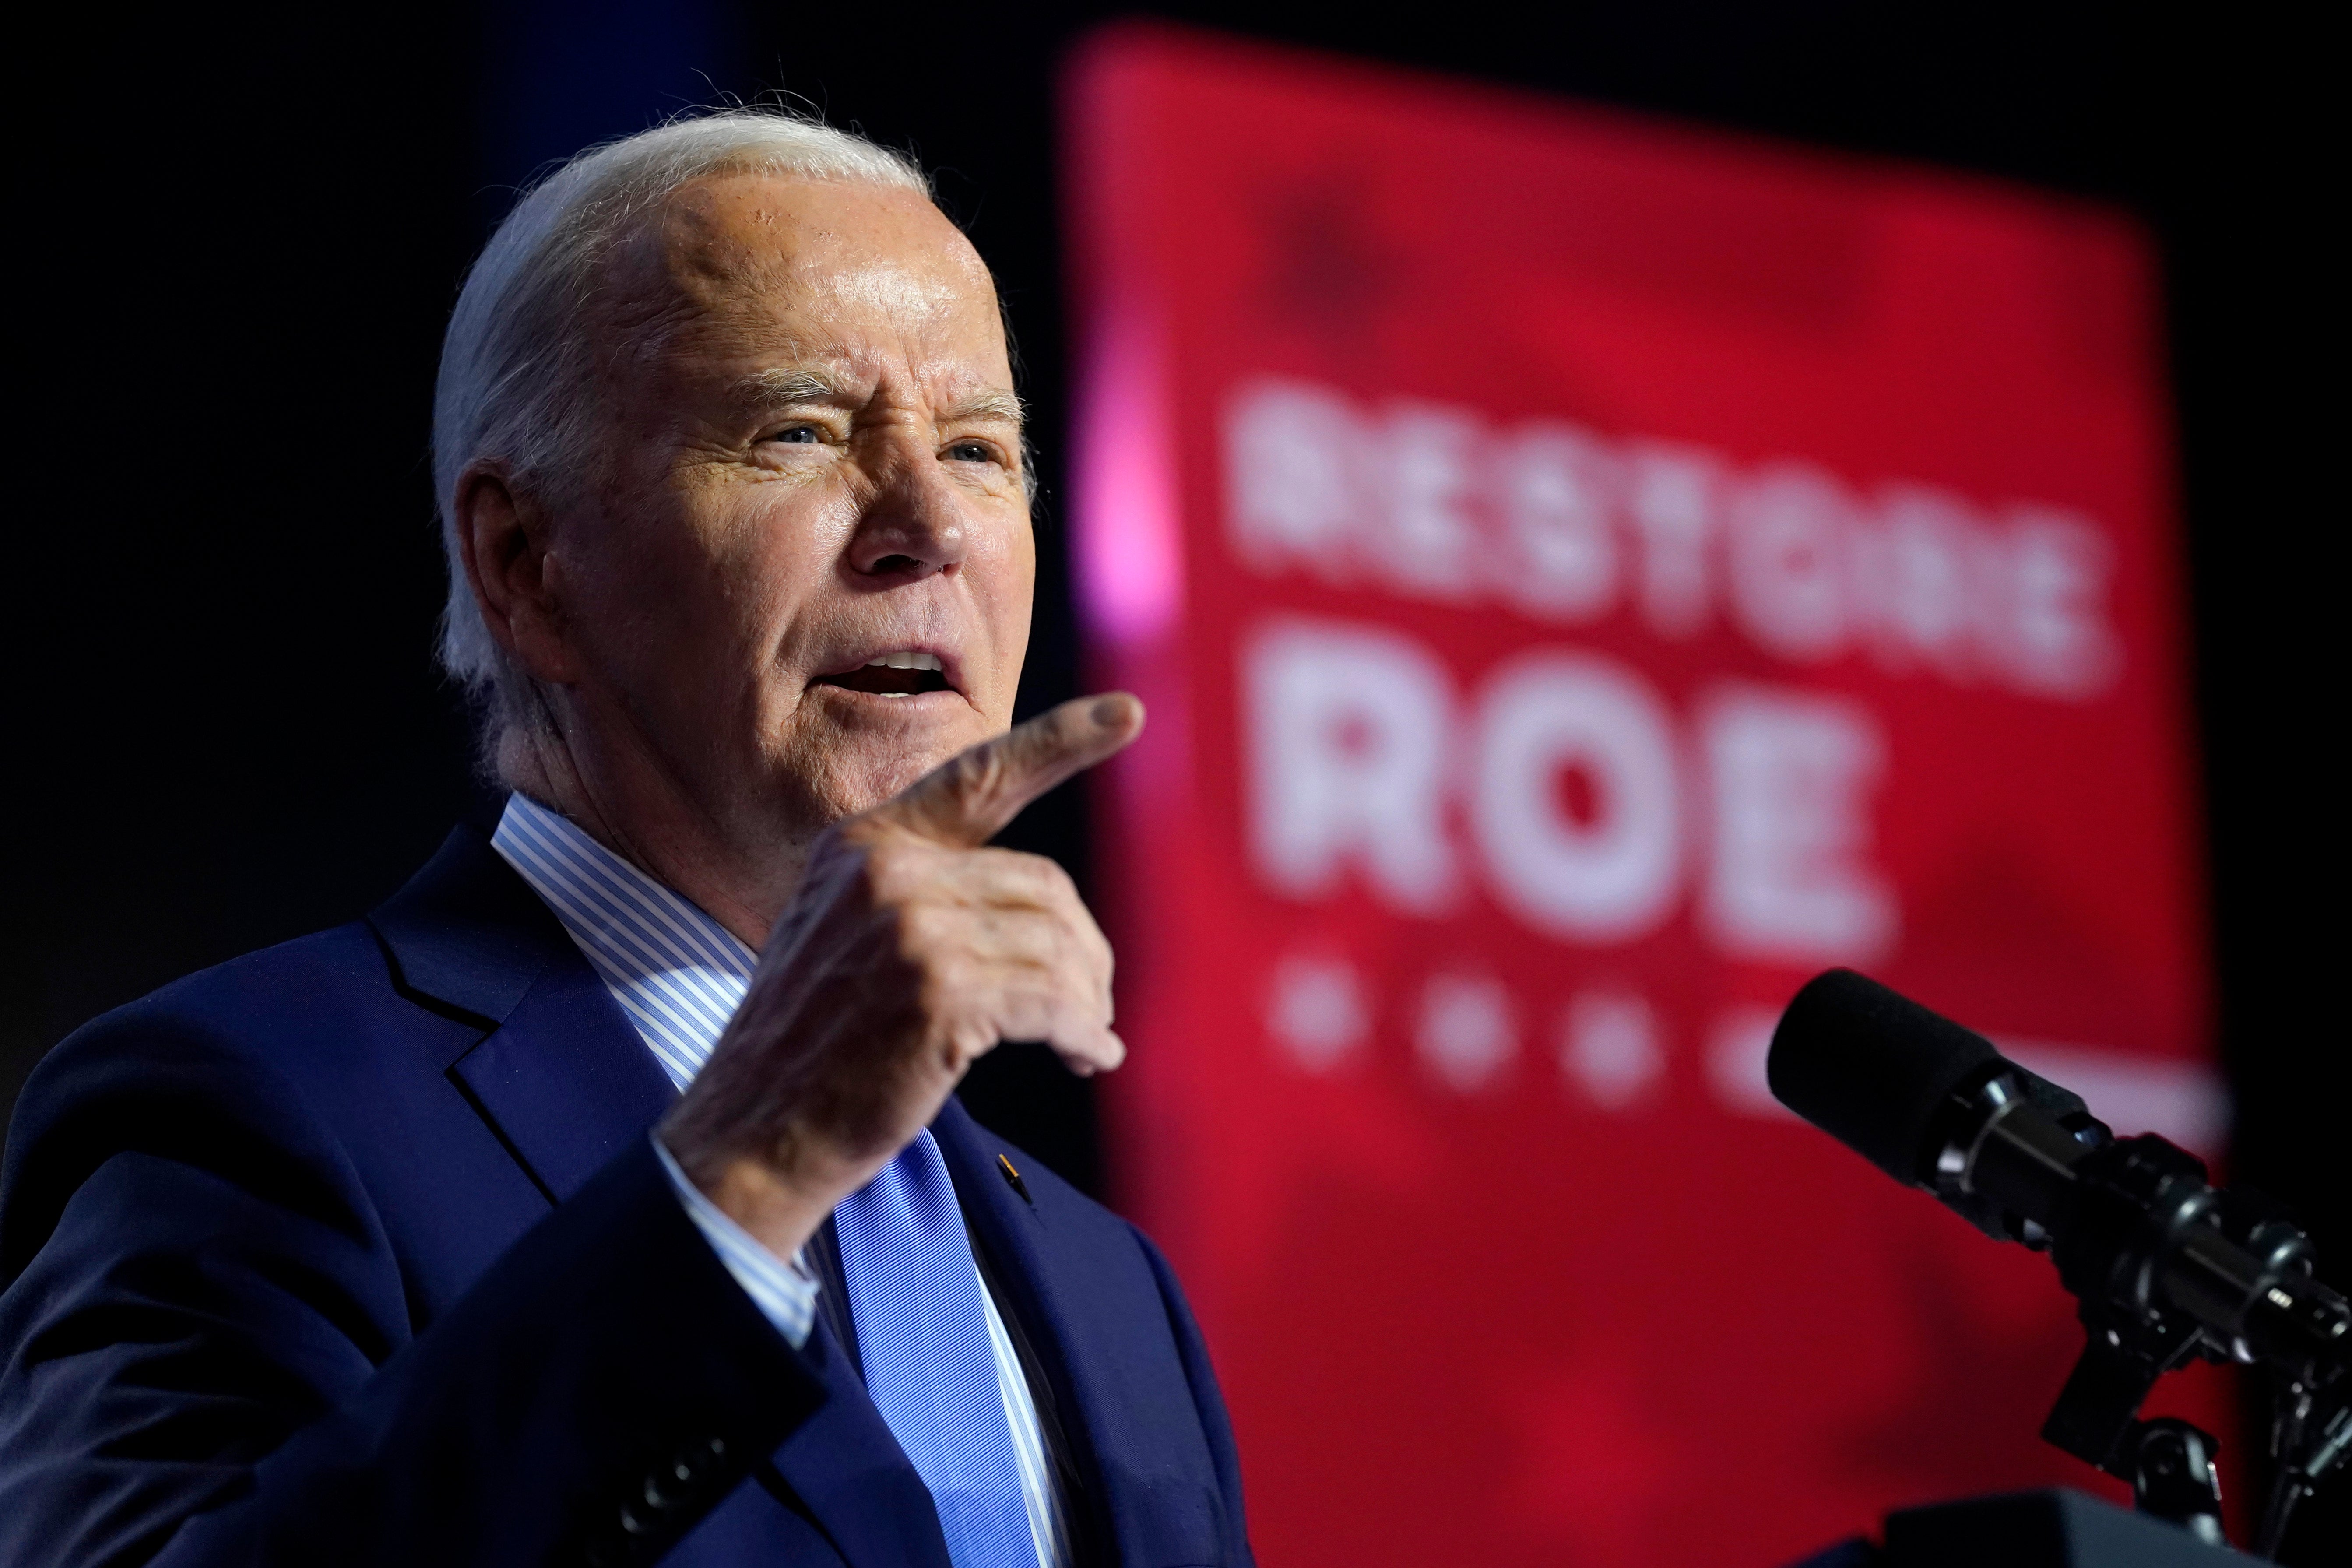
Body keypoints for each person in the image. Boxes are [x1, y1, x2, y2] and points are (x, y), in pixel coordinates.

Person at [0, 111, 1252, 1568]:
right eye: (799, 433)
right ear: (527, 567)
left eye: (980, 448)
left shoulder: (1117, 1293)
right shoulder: (238, 1109)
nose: (929, 525)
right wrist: (751, 1174)